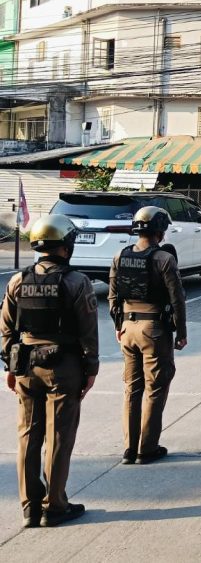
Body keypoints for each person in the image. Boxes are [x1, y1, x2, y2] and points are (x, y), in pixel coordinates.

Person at [1, 215, 98, 527]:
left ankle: (30, 507)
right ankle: (54, 507)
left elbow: (6, 329)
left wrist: (11, 365)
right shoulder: (76, 282)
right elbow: (88, 332)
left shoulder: (18, 280)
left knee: (28, 436)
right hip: (63, 366)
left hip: (26, 364)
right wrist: (91, 368)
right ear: (66, 247)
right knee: (58, 437)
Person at [108, 206, 187, 465]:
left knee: (132, 389)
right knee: (155, 387)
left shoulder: (120, 255)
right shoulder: (164, 259)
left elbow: (113, 295)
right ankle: (147, 448)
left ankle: (129, 449)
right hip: (154, 329)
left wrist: (119, 324)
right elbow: (177, 299)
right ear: (160, 231)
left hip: (128, 328)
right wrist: (181, 332)